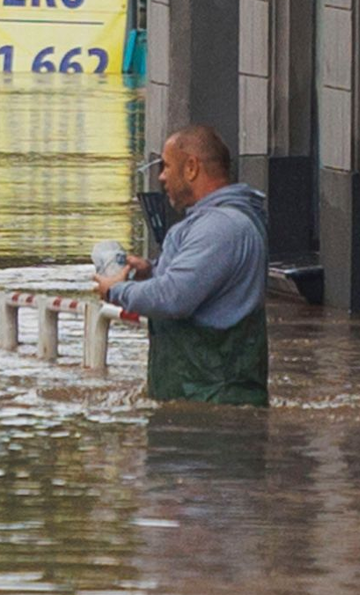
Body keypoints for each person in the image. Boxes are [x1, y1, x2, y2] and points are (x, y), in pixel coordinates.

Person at [92, 124, 269, 406]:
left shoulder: (220, 227)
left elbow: (173, 297)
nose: (161, 177)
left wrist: (116, 290)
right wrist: (151, 271)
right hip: (200, 400)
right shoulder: (215, 223)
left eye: (166, 166)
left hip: (212, 406)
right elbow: (193, 286)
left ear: (191, 168)